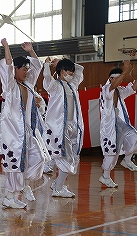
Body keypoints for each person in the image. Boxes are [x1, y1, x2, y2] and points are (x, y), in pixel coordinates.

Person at [0, 38, 45, 209]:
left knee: (37, 157)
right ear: (15, 70)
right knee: (15, 164)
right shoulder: (10, 86)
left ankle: (22, 186)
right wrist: (6, 46)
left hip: (27, 130)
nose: (26, 72)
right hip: (12, 131)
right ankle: (9, 196)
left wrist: (31, 51)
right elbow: (8, 64)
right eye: (23, 69)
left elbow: (37, 67)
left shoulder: (28, 85)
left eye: (27, 69)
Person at [99, 59, 137, 188]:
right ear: (110, 78)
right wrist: (125, 71)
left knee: (135, 136)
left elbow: (134, 88)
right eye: (118, 78)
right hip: (109, 126)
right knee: (112, 152)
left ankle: (127, 160)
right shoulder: (106, 89)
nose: (121, 81)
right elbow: (112, 86)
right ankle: (105, 176)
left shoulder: (120, 91)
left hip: (119, 122)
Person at [43, 57, 84, 198]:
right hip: (59, 128)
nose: (71, 74)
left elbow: (79, 71)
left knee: (73, 157)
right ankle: (58, 187)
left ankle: (57, 184)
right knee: (67, 159)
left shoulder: (73, 85)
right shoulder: (55, 86)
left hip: (73, 127)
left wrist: (62, 60)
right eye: (68, 71)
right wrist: (48, 65)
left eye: (72, 72)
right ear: (61, 71)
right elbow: (47, 79)